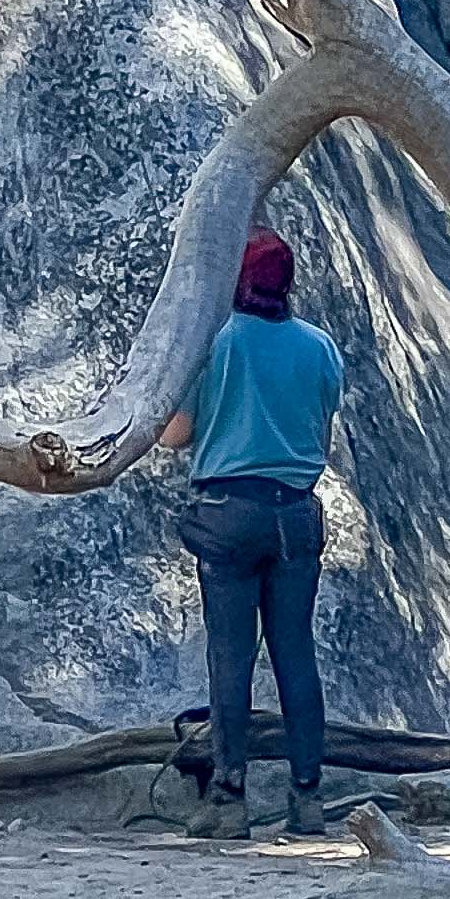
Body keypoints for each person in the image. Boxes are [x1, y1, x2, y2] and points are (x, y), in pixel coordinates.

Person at [158, 228, 342, 840]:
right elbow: (322, 432)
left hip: (229, 514)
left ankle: (228, 797)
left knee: (230, 657)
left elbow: (175, 435)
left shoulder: (213, 344)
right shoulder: (320, 347)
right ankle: (308, 797)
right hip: (296, 515)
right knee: (296, 653)